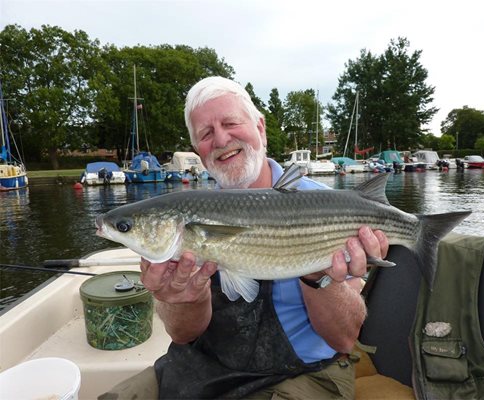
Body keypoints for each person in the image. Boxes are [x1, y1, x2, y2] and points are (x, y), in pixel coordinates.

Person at [99, 76, 389, 400]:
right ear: (198, 150)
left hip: (303, 372)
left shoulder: (330, 208)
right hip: (206, 366)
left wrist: (318, 275)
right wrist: (181, 297)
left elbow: (345, 339)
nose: (221, 138)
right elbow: (183, 334)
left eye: (230, 123)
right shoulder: (187, 216)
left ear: (260, 128)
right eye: (206, 134)